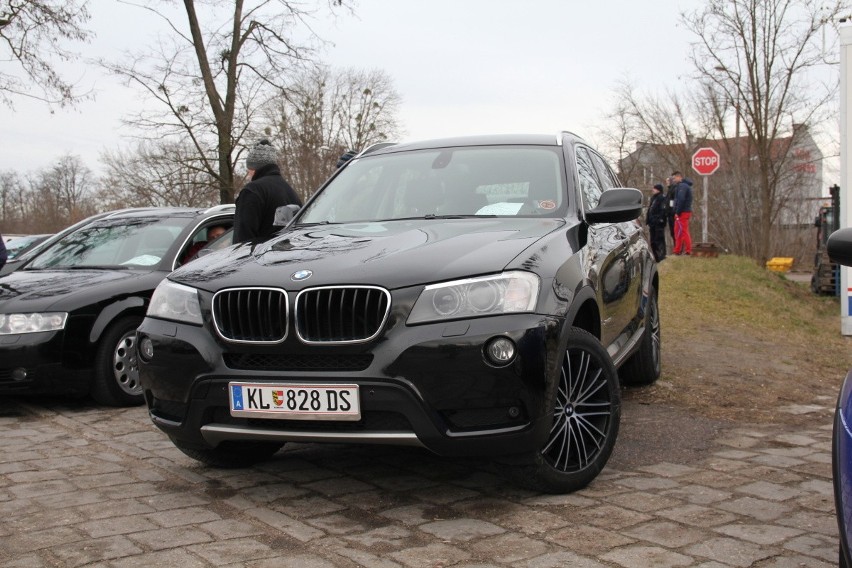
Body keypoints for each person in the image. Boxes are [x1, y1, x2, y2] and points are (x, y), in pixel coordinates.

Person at [234, 139, 302, 243]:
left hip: (259, 256)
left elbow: (243, 236)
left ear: (253, 169)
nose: (248, 175)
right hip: (288, 255)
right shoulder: (290, 191)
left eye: (248, 171)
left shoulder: (253, 190)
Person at [670, 170, 694, 255]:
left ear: (679, 177)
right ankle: (677, 250)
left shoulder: (682, 187)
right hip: (682, 212)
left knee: (683, 231)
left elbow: (681, 200)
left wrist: (677, 211)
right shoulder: (680, 186)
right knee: (678, 232)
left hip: (683, 212)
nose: (673, 180)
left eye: (674, 178)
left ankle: (688, 250)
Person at [646, 184, 667, 262]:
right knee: (653, 241)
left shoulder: (662, 198)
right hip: (652, 224)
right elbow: (650, 210)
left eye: (654, 188)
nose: (653, 190)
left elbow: (663, 210)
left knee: (659, 240)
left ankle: (661, 257)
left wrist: (659, 219)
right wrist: (648, 220)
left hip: (658, 224)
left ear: (658, 190)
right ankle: (656, 257)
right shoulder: (653, 198)